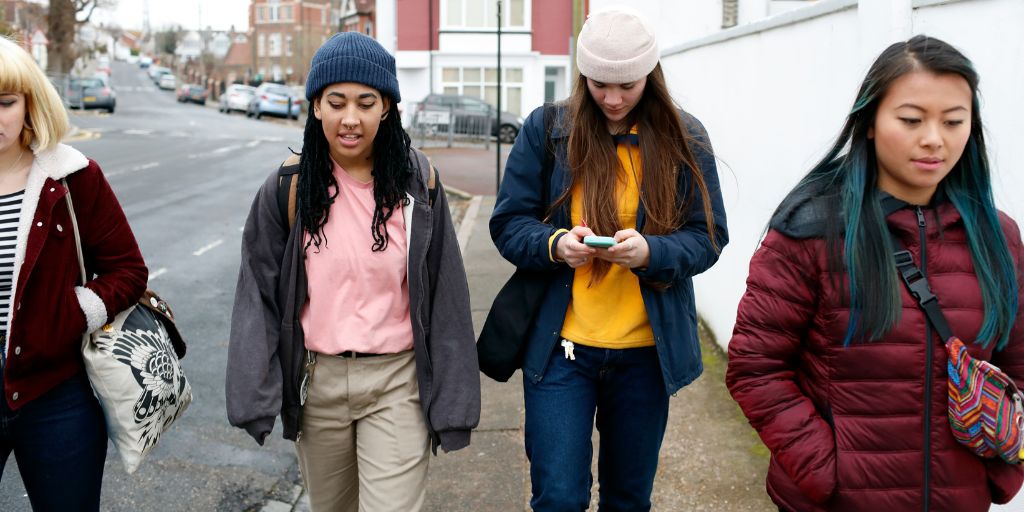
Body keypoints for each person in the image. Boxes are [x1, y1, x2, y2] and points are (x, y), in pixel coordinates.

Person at [726, 35, 1024, 511]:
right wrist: (827, 472)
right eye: (911, 120)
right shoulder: (811, 230)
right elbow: (757, 368)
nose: (934, 139)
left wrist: (1002, 469)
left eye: (953, 121)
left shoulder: (998, 237)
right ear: (869, 123)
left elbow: (1018, 362)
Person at [226, 32, 480, 512]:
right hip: (317, 383)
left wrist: (454, 402)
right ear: (316, 106)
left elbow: (448, 292)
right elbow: (256, 294)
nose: (350, 118)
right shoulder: (288, 186)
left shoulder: (418, 182)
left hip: (397, 384)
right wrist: (254, 394)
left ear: (386, 108)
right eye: (336, 101)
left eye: (366, 103)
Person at [490, 7, 728, 510]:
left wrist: (651, 252)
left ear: (651, 75)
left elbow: (708, 235)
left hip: (645, 356)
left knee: (627, 499)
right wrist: (556, 246)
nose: (613, 98)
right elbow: (509, 224)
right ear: (582, 75)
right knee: (557, 497)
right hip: (561, 351)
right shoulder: (547, 129)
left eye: (628, 85)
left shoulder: (686, 137)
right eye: (599, 84)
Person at [0, 36, 148, 510]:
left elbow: (128, 269)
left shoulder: (72, 176)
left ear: (29, 103)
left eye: (4, 102)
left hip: (55, 391)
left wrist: (72, 313)